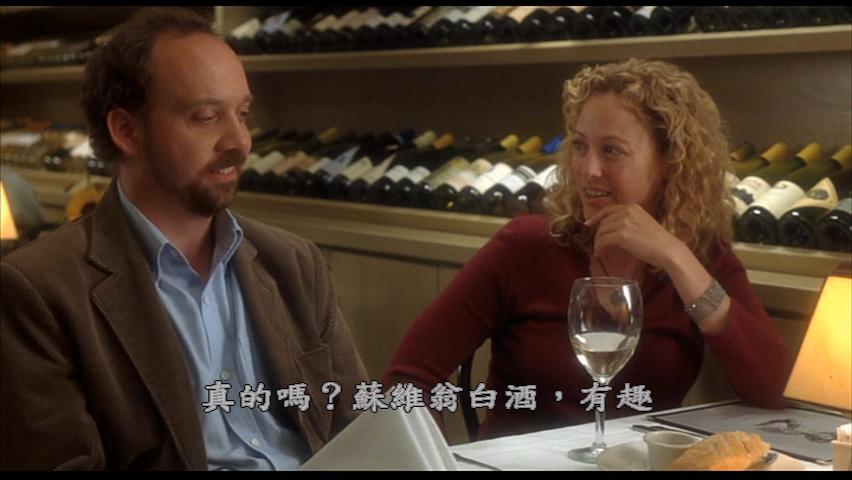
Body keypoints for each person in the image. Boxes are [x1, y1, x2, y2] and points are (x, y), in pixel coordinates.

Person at [1, 8, 368, 470]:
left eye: (242, 114)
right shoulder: (39, 290)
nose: (239, 141)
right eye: (206, 117)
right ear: (127, 131)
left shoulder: (294, 261)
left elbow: (357, 423)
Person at [383, 58, 794, 441]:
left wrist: (675, 257)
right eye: (580, 146)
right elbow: (408, 379)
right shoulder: (526, 246)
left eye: (611, 150)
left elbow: (774, 390)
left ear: (670, 160)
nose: (588, 169)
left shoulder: (701, 257)